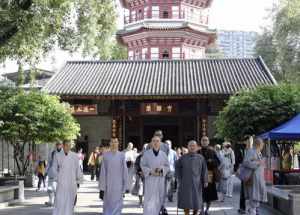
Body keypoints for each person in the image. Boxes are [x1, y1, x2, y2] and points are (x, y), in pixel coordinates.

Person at [176, 140, 208, 215]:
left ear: (197, 147)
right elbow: (177, 167)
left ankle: (195, 213)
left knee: (196, 201)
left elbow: (205, 169)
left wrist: (205, 180)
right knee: (186, 200)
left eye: (194, 145)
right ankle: (186, 213)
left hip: (197, 183)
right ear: (188, 147)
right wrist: (179, 178)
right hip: (185, 182)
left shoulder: (201, 158)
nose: (192, 147)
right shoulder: (182, 158)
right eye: (190, 145)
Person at [52, 140, 83, 215]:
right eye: (66, 145)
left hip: (71, 182)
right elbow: (54, 167)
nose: (68, 147)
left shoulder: (74, 155)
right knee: (60, 200)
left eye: (69, 145)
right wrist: (57, 177)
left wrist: (79, 179)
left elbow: (77, 168)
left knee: (70, 201)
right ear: (63, 145)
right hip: (61, 181)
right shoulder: (57, 155)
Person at [141, 135, 170, 215]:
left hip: (160, 179)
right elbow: (142, 165)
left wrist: (161, 169)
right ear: (151, 143)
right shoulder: (146, 154)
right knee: (149, 199)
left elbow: (167, 166)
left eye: (157, 141)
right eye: (154, 141)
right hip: (150, 179)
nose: (156, 143)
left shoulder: (163, 154)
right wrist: (150, 172)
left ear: (160, 143)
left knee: (160, 198)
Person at [99, 138, 128, 215]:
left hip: (119, 184)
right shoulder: (105, 155)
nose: (114, 144)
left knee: (118, 205)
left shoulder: (122, 155)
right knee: (107, 204)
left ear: (118, 143)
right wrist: (102, 187)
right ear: (110, 144)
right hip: (108, 184)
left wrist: (125, 186)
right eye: (112, 142)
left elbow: (125, 171)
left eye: (115, 142)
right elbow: (103, 172)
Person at [244, 137, 267, 215]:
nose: (263, 145)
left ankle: (253, 211)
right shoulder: (251, 151)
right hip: (252, 179)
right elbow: (246, 163)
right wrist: (258, 163)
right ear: (258, 144)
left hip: (258, 179)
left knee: (255, 200)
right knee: (253, 200)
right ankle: (252, 212)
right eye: (262, 144)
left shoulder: (258, 152)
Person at [199, 136, 220, 215]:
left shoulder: (212, 151)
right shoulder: (198, 151)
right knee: (200, 193)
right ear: (201, 142)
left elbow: (218, 162)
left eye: (206, 140)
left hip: (209, 174)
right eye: (203, 140)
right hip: (200, 175)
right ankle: (201, 210)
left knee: (209, 194)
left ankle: (207, 210)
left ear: (208, 142)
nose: (204, 142)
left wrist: (211, 161)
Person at [45, 142, 64, 206]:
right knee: (50, 188)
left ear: (61, 145)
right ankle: (50, 201)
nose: (58, 146)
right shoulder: (53, 153)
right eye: (57, 145)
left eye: (59, 145)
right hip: (52, 173)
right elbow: (49, 163)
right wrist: (46, 172)